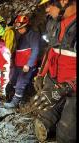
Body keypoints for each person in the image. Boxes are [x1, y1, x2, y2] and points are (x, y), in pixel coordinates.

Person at [32, 0, 76, 142]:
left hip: (73, 88)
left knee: (67, 133)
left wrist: (66, 87)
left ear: (64, 1)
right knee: (44, 116)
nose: (47, 10)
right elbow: (50, 50)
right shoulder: (53, 22)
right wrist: (41, 75)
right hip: (54, 78)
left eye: (48, 5)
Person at [4, 15, 40, 108]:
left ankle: (15, 103)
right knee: (14, 80)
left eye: (21, 28)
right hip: (18, 64)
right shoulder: (21, 35)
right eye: (18, 28)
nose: (19, 30)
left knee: (21, 82)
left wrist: (29, 64)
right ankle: (21, 98)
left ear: (27, 26)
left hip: (26, 65)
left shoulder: (33, 35)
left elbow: (35, 49)